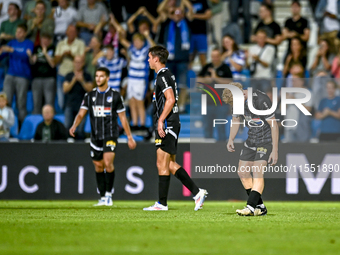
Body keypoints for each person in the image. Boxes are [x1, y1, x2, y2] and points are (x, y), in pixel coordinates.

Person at [143, 45, 208, 211]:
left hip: (167, 123)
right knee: (169, 164)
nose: (148, 60)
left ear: (156, 58)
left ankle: (162, 203)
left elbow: (170, 99)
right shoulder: (166, 75)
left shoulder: (162, 76)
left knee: (162, 163)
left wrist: (160, 121)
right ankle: (197, 192)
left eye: (149, 57)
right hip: (171, 122)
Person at [69, 67, 137, 206]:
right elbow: (81, 113)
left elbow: (123, 118)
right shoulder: (89, 96)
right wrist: (74, 125)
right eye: (97, 76)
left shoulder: (115, 96)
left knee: (107, 163)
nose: (98, 79)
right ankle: (102, 196)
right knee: (98, 166)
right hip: (95, 136)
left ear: (107, 78)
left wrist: (129, 137)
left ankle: (108, 195)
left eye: (101, 76)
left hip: (110, 134)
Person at [223, 82, 279, 216]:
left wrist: (275, 149)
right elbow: (236, 120)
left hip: (265, 141)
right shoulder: (238, 100)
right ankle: (260, 207)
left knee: (257, 172)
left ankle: (251, 207)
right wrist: (231, 139)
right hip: (251, 140)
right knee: (242, 173)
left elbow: (274, 125)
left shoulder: (260, 100)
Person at [120, 30, 155, 130]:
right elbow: (122, 40)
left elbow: (154, 46)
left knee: (139, 102)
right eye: (135, 41)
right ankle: (134, 123)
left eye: (138, 41)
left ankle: (142, 124)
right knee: (132, 101)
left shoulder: (145, 51)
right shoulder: (132, 49)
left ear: (142, 42)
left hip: (140, 80)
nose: (136, 43)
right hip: (131, 79)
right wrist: (119, 30)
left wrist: (147, 36)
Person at [0, 24, 34, 124]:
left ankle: (21, 126)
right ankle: (5, 127)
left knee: (21, 103)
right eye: (16, 32)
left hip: (23, 76)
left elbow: (26, 56)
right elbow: (2, 56)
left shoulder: (29, 43)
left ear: (25, 33)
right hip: (10, 74)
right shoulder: (11, 42)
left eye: (19, 32)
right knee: (6, 102)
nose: (17, 34)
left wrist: (12, 51)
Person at [197, 48, 232, 141]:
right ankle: (208, 152)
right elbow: (198, 80)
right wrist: (207, 80)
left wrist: (216, 78)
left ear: (220, 57)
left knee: (221, 129)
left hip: (221, 104)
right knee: (207, 128)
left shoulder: (225, 68)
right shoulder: (206, 67)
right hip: (207, 103)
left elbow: (229, 82)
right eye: (213, 57)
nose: (215, 59)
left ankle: (222, 151)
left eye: (217, 56)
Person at [55, 24, 86, 110]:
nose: (72, 33)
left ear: (76, 33)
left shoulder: (80, 43)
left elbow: (82, 60)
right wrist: (63, 55)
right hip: (62, 73)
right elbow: (55, 61)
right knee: (61, 100)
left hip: (74, 74)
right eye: (70, 31)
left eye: (73, 31)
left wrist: (71, 55)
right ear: (66, 32)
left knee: (73, 100)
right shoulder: (61, 44)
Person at [63, 55, 93, 139]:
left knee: (80, 129)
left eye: (79, 62)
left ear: (83, 63)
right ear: (73, 63)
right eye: (76, 62)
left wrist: (82, 81)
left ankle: (79, 148)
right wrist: (74, 80)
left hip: (83, 106)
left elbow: (90, 89)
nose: (78, 64)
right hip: (70, 104)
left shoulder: (87, 76)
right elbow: (65, 89)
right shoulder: (69, 75)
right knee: (67, 127)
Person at [27, 33, 56, 114]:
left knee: (49, 101)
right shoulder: (36, 48)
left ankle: (50, 118)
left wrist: (45, 53)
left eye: (46, 39)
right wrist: (30, 56)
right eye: (43, 39)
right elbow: (32, 62)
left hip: (49, 78)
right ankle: (37, 120)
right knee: (36, 102)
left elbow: (53, 64)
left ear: (50, 40)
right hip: (37, 78)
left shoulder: (53, 48)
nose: (44, 41)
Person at [189, 0, 211, 67]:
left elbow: (208, 15)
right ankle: (187, 75)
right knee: (189, 58)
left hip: (201, 32)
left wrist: (194, 16)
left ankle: (204, 74)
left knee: (202, 56)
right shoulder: (187, 2)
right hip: (189, 34)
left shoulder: (203, 1)